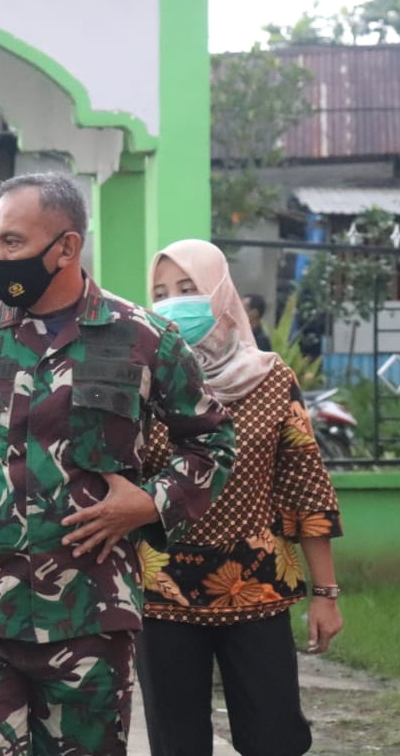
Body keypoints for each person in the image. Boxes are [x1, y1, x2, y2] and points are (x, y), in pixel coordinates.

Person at [0, 172, 236, 756]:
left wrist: (151, 502)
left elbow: (213, 442)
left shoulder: (144, 338)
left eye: (13, 243)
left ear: (67, 247)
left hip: (90, 617)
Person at [134, 240, 343, 756]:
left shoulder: (272, 379)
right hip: (163, 594)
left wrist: (326, 592)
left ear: (221, 294)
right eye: (159, 293)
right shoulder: (142, 380)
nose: (171, 303)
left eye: (187, 289)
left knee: (275, 736)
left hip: (258, 587)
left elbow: (304, 485)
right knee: (177, 741)